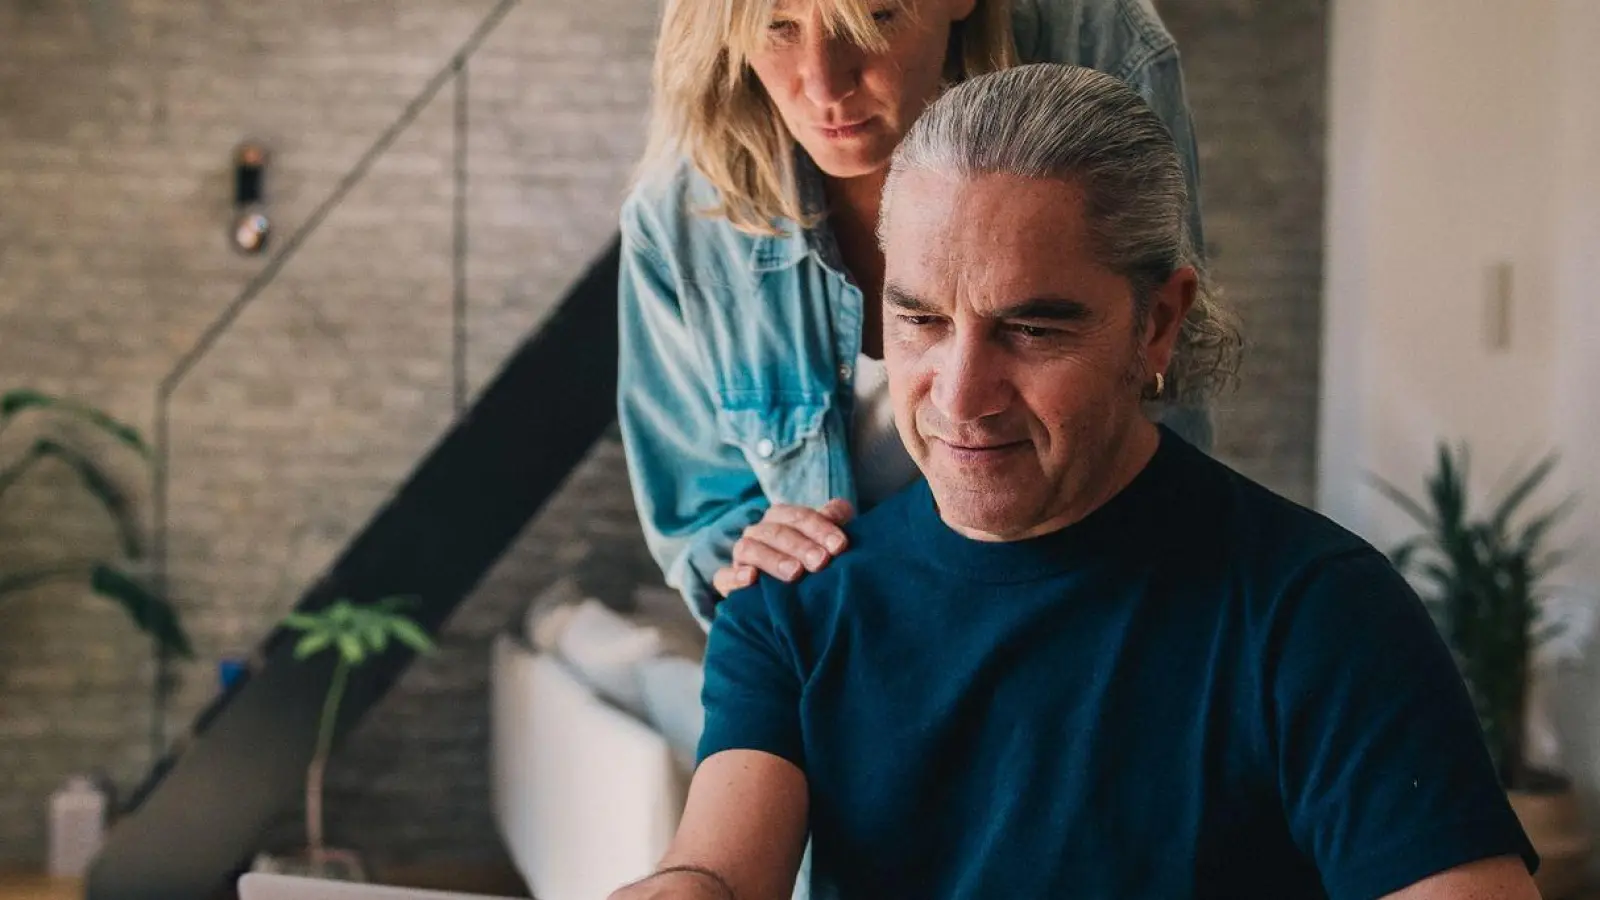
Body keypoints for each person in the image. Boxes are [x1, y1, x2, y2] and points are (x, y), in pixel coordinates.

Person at [610, 64, 1541, 899]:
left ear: (1158, 325)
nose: (960, 398)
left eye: (1033, 329)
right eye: (921, 321)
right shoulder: (794, 606)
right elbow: (723, 868)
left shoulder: (1316, 613)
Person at [617, 0, 1214, 627]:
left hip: (1083, 617)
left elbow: (1163, 406)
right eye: (778, 26)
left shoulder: (1102, 46)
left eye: (876, 18)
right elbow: (701, 520)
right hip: (852, 650)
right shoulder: (679, 220)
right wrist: (748, 558)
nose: (827, 85)